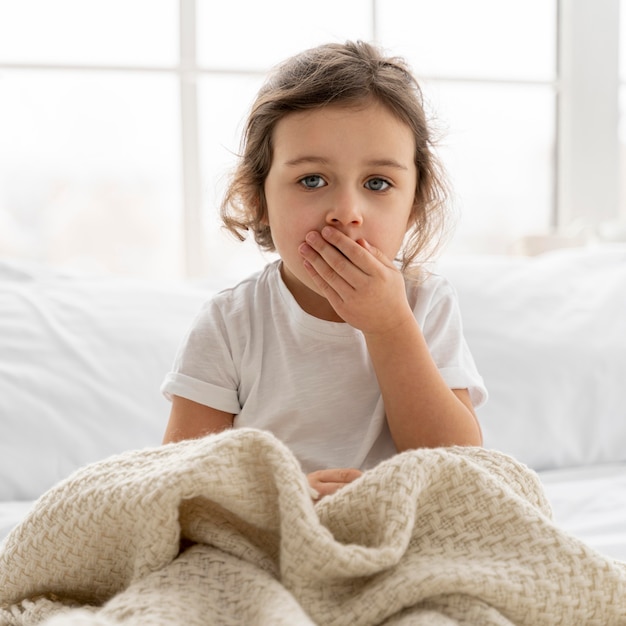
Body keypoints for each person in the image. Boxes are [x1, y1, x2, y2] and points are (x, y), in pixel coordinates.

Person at [161, 40, 487, 499]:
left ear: (412, 206)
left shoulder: (425, 304)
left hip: (401, 529)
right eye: (312, 180)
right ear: (259, 200)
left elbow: (459, 466)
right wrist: (285, 497)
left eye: (378, 183)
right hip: (275, 531)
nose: (346, 212)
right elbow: (180, 483)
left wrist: (390, 325)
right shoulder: (231, 324)